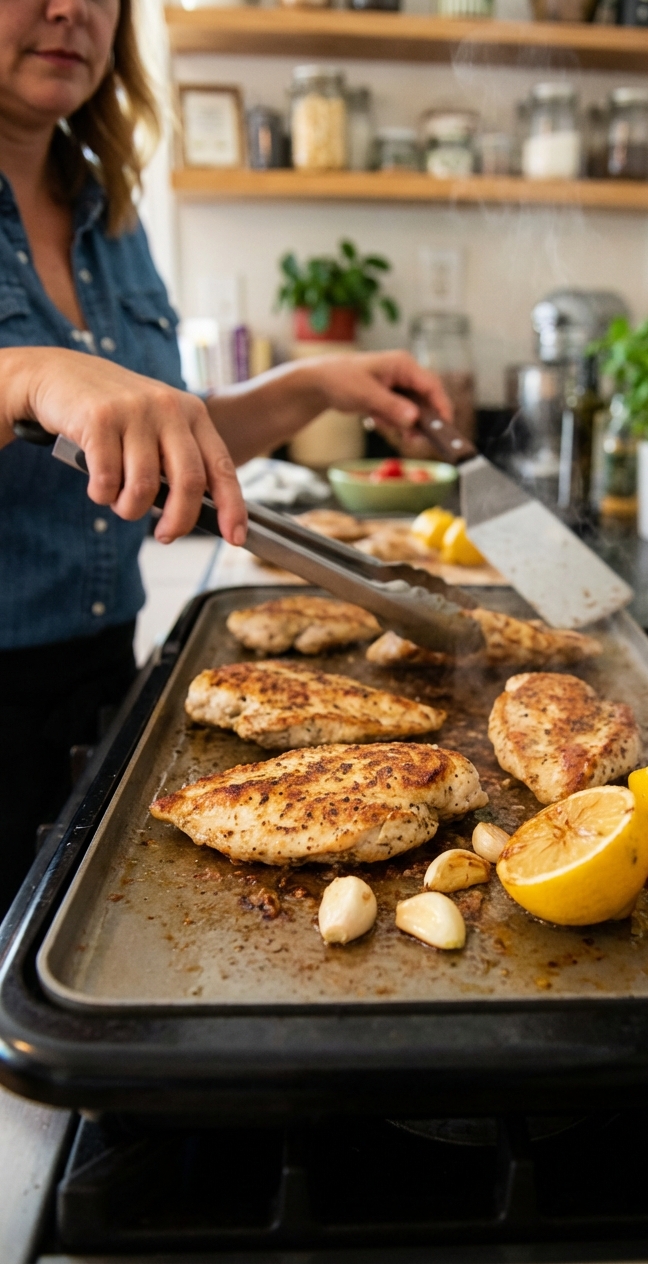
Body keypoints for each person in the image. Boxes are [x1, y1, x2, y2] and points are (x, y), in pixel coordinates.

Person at [0, 0, 451, 916]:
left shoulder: (110, 206)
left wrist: (315, 384)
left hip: (105, 680)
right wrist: (27, 373)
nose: (70, 9)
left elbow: (163, 445)